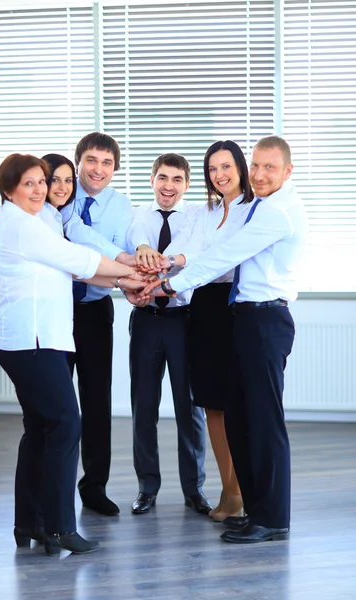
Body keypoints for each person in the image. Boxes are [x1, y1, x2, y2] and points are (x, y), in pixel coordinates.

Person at [141, 136, 308, 543]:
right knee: (241, 417)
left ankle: (272, 519)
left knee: (265, 423)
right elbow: (201, 249)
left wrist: (166, 287)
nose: (260, 174)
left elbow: (223, 255)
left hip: (265, 318)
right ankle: (256, 509)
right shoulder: (265, 207)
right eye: (257, 165)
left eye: (270, 167)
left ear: (287, 171)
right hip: (247, 317)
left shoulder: (274, 213)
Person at [0, 153, 143, 555]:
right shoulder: (19, 224)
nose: (41, 189)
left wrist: (124, 285)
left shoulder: (42, 218)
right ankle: (60, 527)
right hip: (31, 341)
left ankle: (29, 523)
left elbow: (76, 269)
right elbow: (77, 258)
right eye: (30, 183)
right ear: (8, 189)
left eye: (42, 181)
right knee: (64, 425)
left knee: (41, 431)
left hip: (41, 340)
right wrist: (130, 275)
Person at [163, 141, 254, 522]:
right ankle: (229, 489)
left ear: (241, 168)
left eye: (226, 166)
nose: (219, 175)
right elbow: (184, 250)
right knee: (212, 404)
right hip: (203, 307)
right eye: (212, 169)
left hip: (234, 309)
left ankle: (240, 491)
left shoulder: (254, 210)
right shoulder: (205, 211)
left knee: (237, 404)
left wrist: (175, 273)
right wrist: (160, 265)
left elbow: (220, 258)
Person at [126, 153, 212, 515]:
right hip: (145, 319)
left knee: (189, 408)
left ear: (187, 185)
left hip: (183, 320)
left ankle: (194, 489)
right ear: (151, 179)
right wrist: (144, 249)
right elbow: (137, 239)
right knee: (143, 406)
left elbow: (191, 250)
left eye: (177, 179)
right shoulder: (139, 215)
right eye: (162, 177)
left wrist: (167, 261)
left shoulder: (199, 215)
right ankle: (147, 486)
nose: (168, 186)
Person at [61, 133, 136, 516]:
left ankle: (94, 487)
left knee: (96, 401)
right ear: (78, 162)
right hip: (57, 311)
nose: (98, 169)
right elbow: (76, 235)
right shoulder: (58, 193)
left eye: (107, 163)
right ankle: (55, 490)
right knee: (58, 406)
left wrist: (130, 264)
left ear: (115, 168)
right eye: (91, 160)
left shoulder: (122, 206)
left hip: (94, 312)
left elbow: (126, 246)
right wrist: (121, 260)